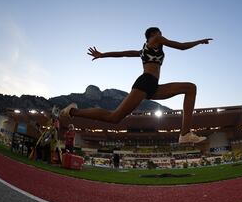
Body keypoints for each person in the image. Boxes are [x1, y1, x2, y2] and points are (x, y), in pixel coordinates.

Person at [60, 27, 212, 143]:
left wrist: (102, 54)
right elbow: (180, 46)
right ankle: (73, 111)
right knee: (114, 117)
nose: (161, 36)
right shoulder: (155, 40)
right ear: (154, 35)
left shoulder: (143, 51)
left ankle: (185, 134)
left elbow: (123, 53)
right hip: (145, 83)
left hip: (153, 86)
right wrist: (198, 42)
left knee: (190, 88)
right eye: (159, 33)